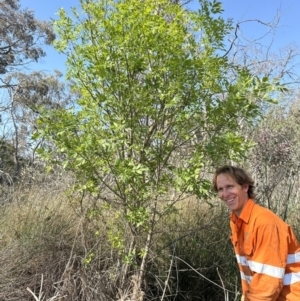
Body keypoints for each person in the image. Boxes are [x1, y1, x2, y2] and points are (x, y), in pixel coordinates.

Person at [213, 165, 300, 301]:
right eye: (220, 189)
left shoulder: (264, 223)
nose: (225, 194)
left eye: (230, 187)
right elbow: (253, 273)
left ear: (245, 187)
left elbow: (267, 284)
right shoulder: (236, 222)